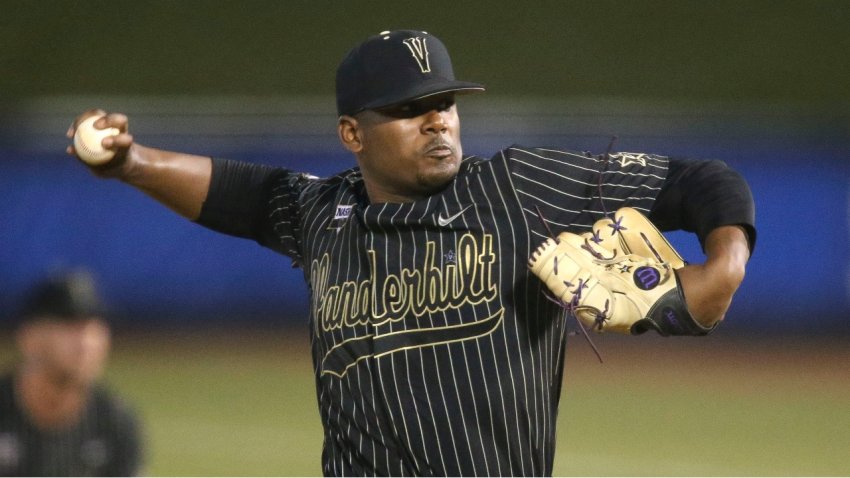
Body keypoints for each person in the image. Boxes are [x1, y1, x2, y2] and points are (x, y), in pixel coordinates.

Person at [65, 30, 754, 476]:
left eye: (445, 100)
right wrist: (131, 162)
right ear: (351, 134)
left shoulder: (515, 188)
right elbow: (235, 192)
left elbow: (703, 182)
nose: (438, 118)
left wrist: (721, 270)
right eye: (408, 107)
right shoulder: (319, 213)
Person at [0, 270, 144, 476]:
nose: (85, 343)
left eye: (93, 328)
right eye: (69, 327)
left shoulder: (114, 422)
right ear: (29, 338)